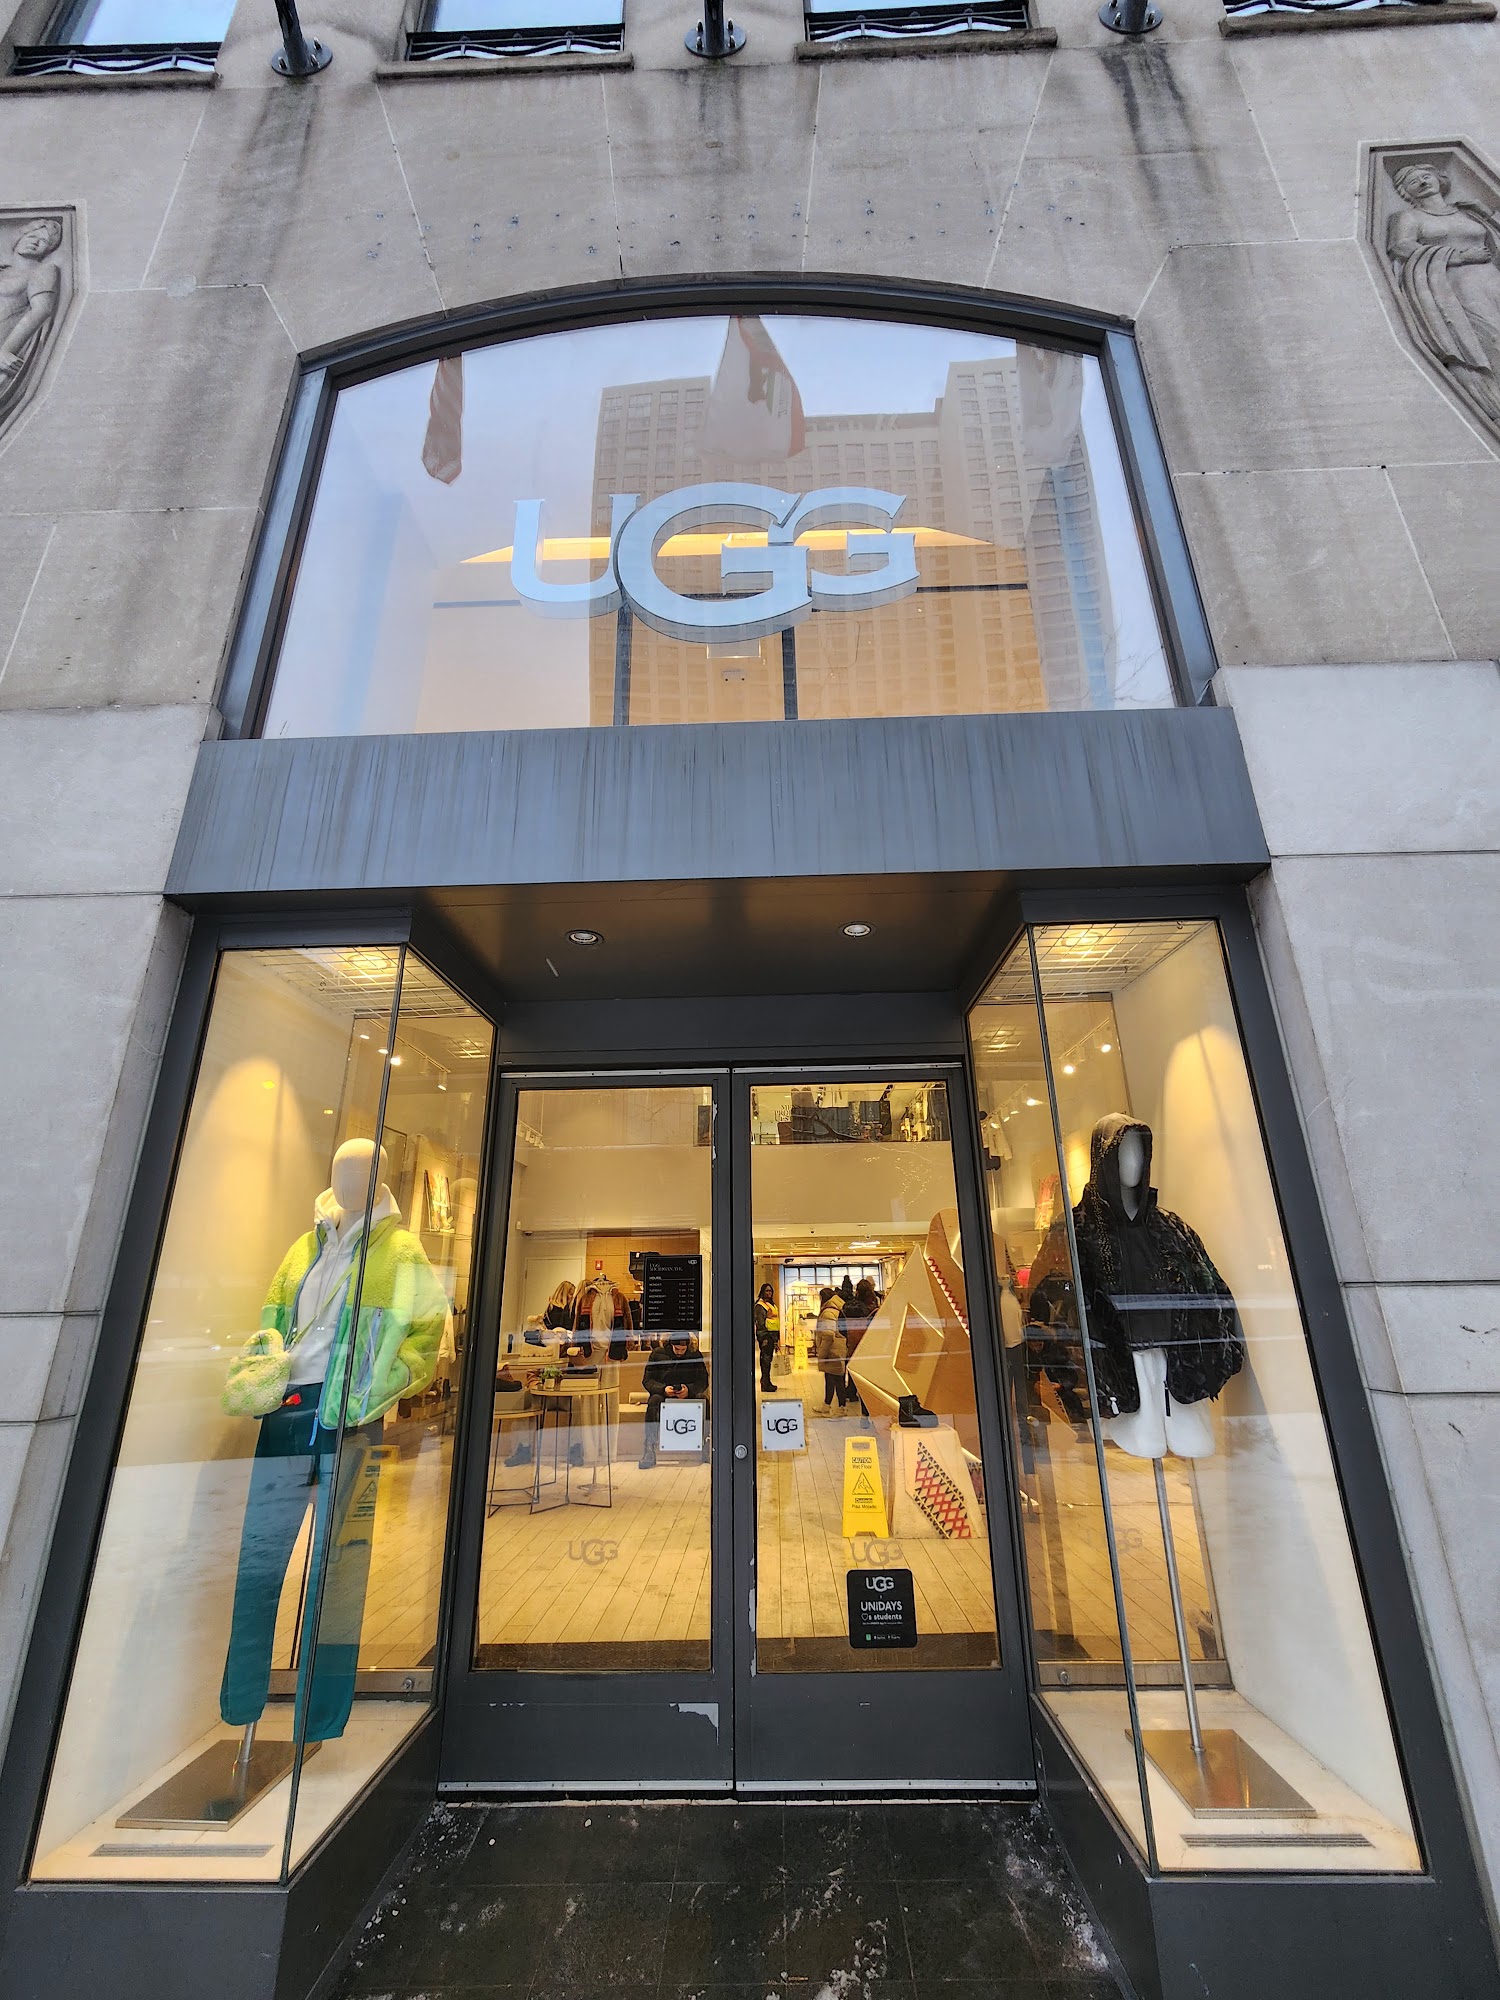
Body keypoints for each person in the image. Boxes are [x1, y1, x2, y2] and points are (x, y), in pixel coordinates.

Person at [638, 1334, 709, 1468]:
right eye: (677, 1349)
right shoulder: (657, 1354)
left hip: (687, 1392)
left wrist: (689, 1390)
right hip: (663, 1393)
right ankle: (649, 1448)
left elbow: (703, 1380)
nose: (680, 1352)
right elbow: (647, 1380)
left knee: (703, 1400)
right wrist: (663, 1389)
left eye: (683, 1350)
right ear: (671, 1345)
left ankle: (706, 1443)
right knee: (654, 1402)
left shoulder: (695, 1355)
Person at [813, 1287, 850, 1414]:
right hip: (837, 1349)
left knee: (835, 1379)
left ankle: (840, 1407)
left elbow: (828, 1334)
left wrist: (822, 1354)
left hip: (832, 1351)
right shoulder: (835, 1309)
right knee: (834, 1378)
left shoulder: (828, 1312)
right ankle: (829, 1405)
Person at [752, 1282, 780, 1392]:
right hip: (766, 1337)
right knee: (765, 1361)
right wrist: (763, 1338)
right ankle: (765, 1383)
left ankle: (767, 1381)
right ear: (762, 1292)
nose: (769, 1293)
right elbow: (760, 1323)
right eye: (767, 1291)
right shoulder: (760, 1306)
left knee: (768, 1360)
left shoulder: (771, 1304)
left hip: (772, 1336)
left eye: (770, 1291)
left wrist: (776, 1338)